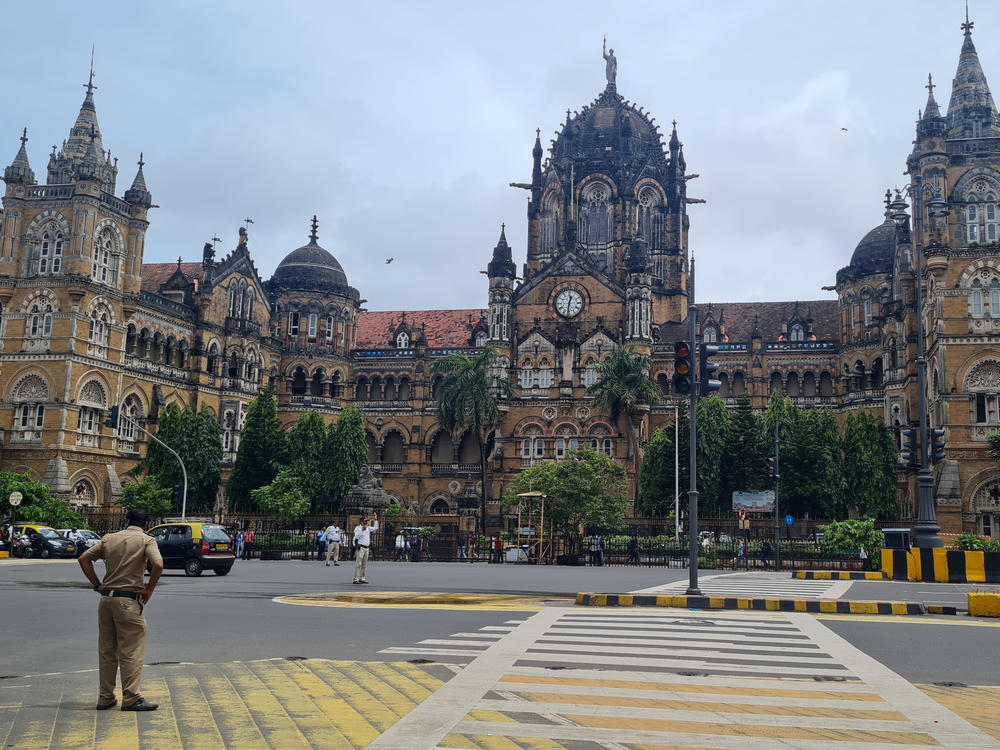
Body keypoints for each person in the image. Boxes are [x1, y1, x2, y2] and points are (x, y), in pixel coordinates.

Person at [78, 508, 163, 712]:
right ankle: (131, 697)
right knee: (131, 650)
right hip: (128, 601)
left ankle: (105, 697)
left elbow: (83, 559)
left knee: (107, 651)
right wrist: (149, 589)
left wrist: (98, 585)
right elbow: (158, 564)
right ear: (146, 525)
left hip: (106, 600)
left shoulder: (109, 539)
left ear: (126, 522)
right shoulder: (146, 540)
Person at [352, 513, 378, 584]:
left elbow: (376, 528)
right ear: (361, 522)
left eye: (366, 521)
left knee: (364, 564)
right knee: (358, 564)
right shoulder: (358, 528)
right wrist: (362, 530)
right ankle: (355, 578)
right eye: (365, 521)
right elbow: (356, 537)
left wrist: (375, 519)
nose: (366, 522)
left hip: (366, 548)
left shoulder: (368, 528)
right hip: (361, 548)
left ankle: (362, 578)